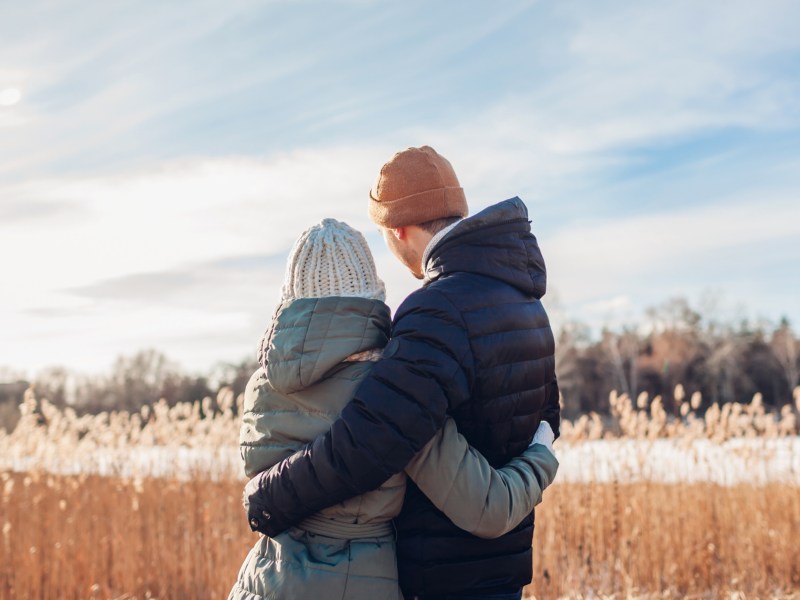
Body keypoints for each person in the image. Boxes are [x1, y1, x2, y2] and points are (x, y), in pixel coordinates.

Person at [245, 147, 560, 599]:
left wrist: (265, 500)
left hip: (433, 576)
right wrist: (543, 452)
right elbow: (546, 415)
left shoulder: (434, 309)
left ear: (397, 230)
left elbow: (371, 440)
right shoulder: (527, 303)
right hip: (495, 570)